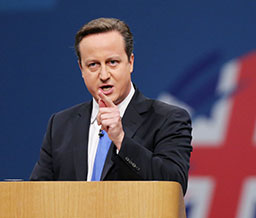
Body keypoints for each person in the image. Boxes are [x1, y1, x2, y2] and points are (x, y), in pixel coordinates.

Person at [30, 18, 192, 194]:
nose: (104, 74)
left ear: (130, 62)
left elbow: (174, 186)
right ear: (81, 69)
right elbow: (38, 196)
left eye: (112, 62)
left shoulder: (167, 119)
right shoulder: (60, 125)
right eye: (93, 65)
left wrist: (121, 139)